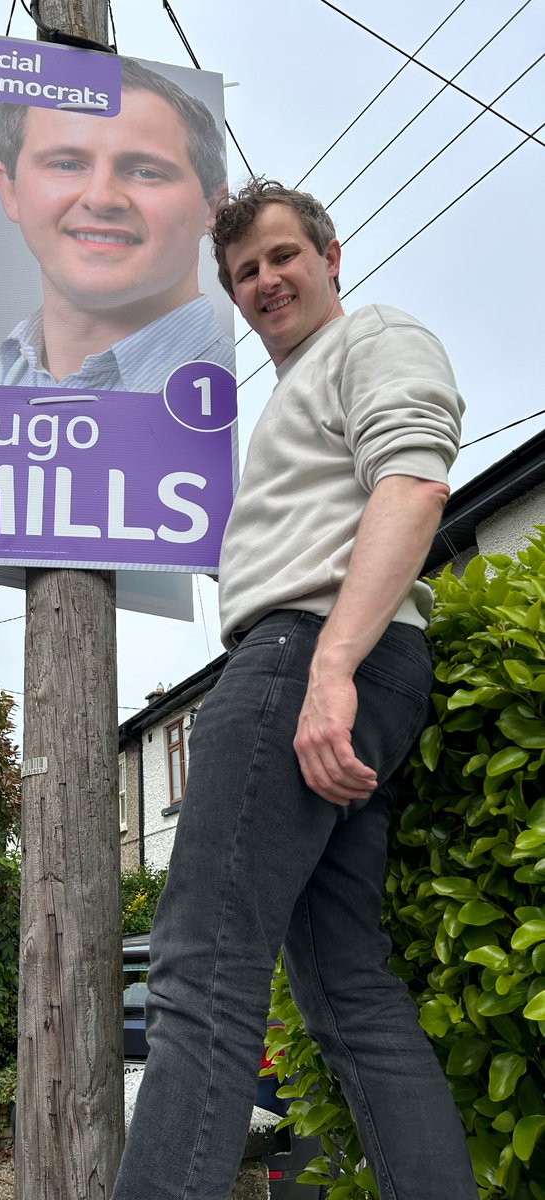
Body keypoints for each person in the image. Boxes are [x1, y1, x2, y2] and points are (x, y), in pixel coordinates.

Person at [111, 178, 478, 1200]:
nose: (265, 280)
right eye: (244, 272)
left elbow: (414, 482)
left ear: (331, 257)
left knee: (200, 977)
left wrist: (326, 673)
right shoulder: (298, 388)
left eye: (283, 256)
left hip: (309, 658)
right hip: (344, 662)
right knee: (348, 992)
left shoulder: (375, 337)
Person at [0, 58, 234, 394]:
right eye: (66, 164)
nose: (101, 198)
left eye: (146, 172)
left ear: (212, 208)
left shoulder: (245, 409)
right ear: (9, 190)